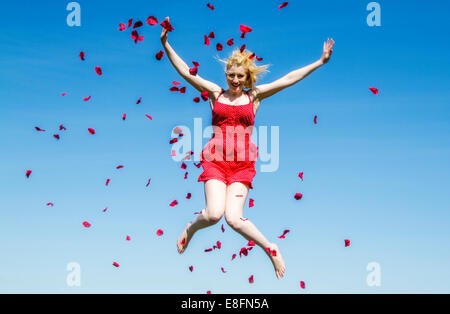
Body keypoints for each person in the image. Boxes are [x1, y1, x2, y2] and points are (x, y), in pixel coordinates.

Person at [160, 17, 335, 279]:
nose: (235, 80)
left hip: (242, 165)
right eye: (231, 75)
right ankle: (190, 228)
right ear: (226, 74)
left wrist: (319, 62)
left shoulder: (254, 96)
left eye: (240, 76)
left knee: (233, 218)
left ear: (247, 76)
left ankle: (270, 248)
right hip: (216, 161)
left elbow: (287, 79)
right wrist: (165, 44)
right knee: (213, 214)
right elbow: (186, 71)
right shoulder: (215, 93)